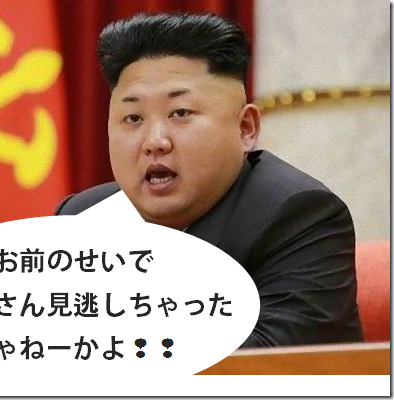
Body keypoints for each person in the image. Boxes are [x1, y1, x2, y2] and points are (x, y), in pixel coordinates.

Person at [55, 12, 362, 347]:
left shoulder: (299, 215)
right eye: (133, 118)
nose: (155, 141)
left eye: (180, 113)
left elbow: (264, 361)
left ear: (245, 128)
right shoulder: (82, 218)